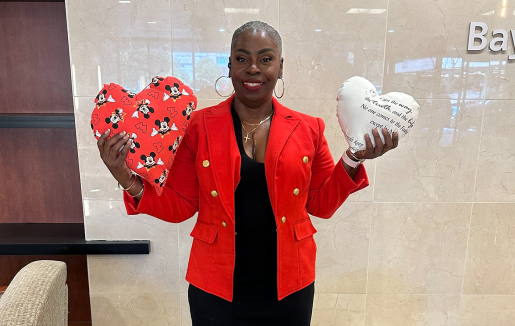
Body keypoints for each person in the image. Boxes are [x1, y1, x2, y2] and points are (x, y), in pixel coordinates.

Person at [97, 21, 397, 326]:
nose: (253, 68)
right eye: (242, 59)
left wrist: (353, 158)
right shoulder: (198, 127)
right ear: (229, 67)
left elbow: (321, 205)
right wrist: (126, 177)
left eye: (266, 59)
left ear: (280, 68)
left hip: (290, 286)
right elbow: (181, 205)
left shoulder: (309, 128)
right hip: (215, 287)